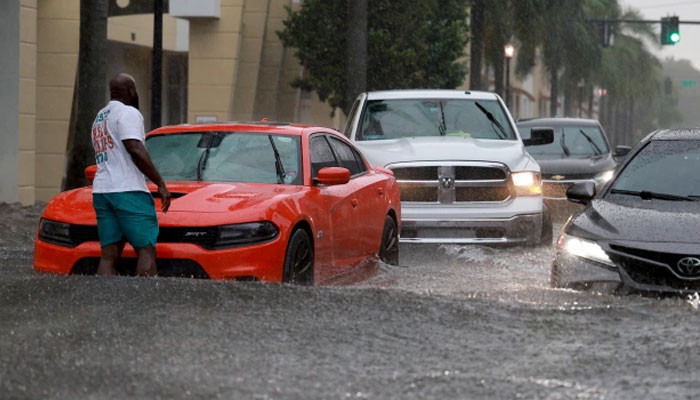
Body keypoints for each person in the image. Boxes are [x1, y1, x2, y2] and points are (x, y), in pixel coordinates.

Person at [90, 73, 171, 276]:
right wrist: (160, 182)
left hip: (102, 192)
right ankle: (145, 302)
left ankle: (104, 302)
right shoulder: (128, 113)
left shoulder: (99, 118)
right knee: (146, 250)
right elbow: (135, 148)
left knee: (108, 256)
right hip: (128, 191)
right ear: (132, 91)